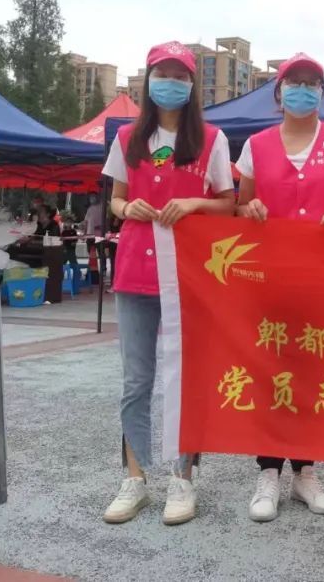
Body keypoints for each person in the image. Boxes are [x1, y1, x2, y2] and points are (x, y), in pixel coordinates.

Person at [100, 41, 236, 527]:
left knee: (187, 376)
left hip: (190, 273)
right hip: (136, 269)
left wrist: (195, 204)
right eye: (163, 74)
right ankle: (135, 478)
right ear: (149, 79)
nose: (171, 83)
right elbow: (116, 199)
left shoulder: (211, 139)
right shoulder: (127, 137)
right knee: (136, 380)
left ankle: (183, 478)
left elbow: (228, 203)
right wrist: (127, 207)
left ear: (192, 84)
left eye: (180, 76)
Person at [235, 52, 324, 523]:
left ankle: (306, 471)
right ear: (279, 92)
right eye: (294, 82)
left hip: (322, 276)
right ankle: (268, 471)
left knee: (312, 369)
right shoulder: (255, 145)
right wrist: (250, 209)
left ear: (322, 92)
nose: (303, 90)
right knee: (270, 368)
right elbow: (240, 206)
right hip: (268, 277)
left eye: (312, 83)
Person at [4, 203, 61, 268]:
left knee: (15, 254)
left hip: (45, 254)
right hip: (35, 250)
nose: (38, 213)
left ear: (48, 214)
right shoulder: (38, 225)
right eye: (38, 211)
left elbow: (55, 242)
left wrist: (32, 241)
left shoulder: (54, 226)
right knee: (10, 249)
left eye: (40, 211)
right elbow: (30, 236)